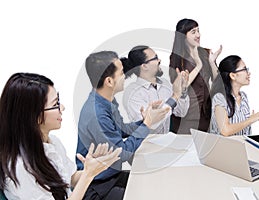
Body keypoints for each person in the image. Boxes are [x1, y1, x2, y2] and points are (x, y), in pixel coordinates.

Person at [0, 72, 121, 200]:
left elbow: (70, 178)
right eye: (55, 104)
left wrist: (93, 167)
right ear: (34, 116)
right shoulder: (20, 167)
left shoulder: (52, 143)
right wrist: (88, 175)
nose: (62, 108)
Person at [76, 51, 169, 200]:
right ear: (109, 81)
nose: (125, 75)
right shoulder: (97, 114)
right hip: (97, 187)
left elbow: (120, 130)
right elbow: (122, 153)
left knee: (153, 181)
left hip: (109, 176)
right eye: (121, 73)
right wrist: (146, 124)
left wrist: (144, 120)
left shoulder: (105, 101)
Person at [169, 18, 223, 134]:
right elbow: (179, 86)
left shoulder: (205, 52)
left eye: (198, 31)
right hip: (185, 116)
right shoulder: (177, 57)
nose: (198, 35)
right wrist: (198, 65)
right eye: (193, 32)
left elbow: (216, 80)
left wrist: (212, 62)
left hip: (205, 113)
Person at [121, 45, 190, 134]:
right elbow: (151, 125)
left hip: (165, 141)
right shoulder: (132, 93)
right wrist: (175, 96)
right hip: (146, 145)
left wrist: (183, 90)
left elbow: (181, 112)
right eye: (155, 58)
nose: (159, 60)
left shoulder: (164, 83)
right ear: (144, 66)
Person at [209, 55, 259, 136]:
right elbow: (225, 130)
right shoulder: (220, 97)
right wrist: (252, 119)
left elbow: (243, 128)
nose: (248, 73)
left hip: (241, 146)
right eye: (244, 69)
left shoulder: (244, 97)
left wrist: (256, 117)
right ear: (233, 75)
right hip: (223, 147)